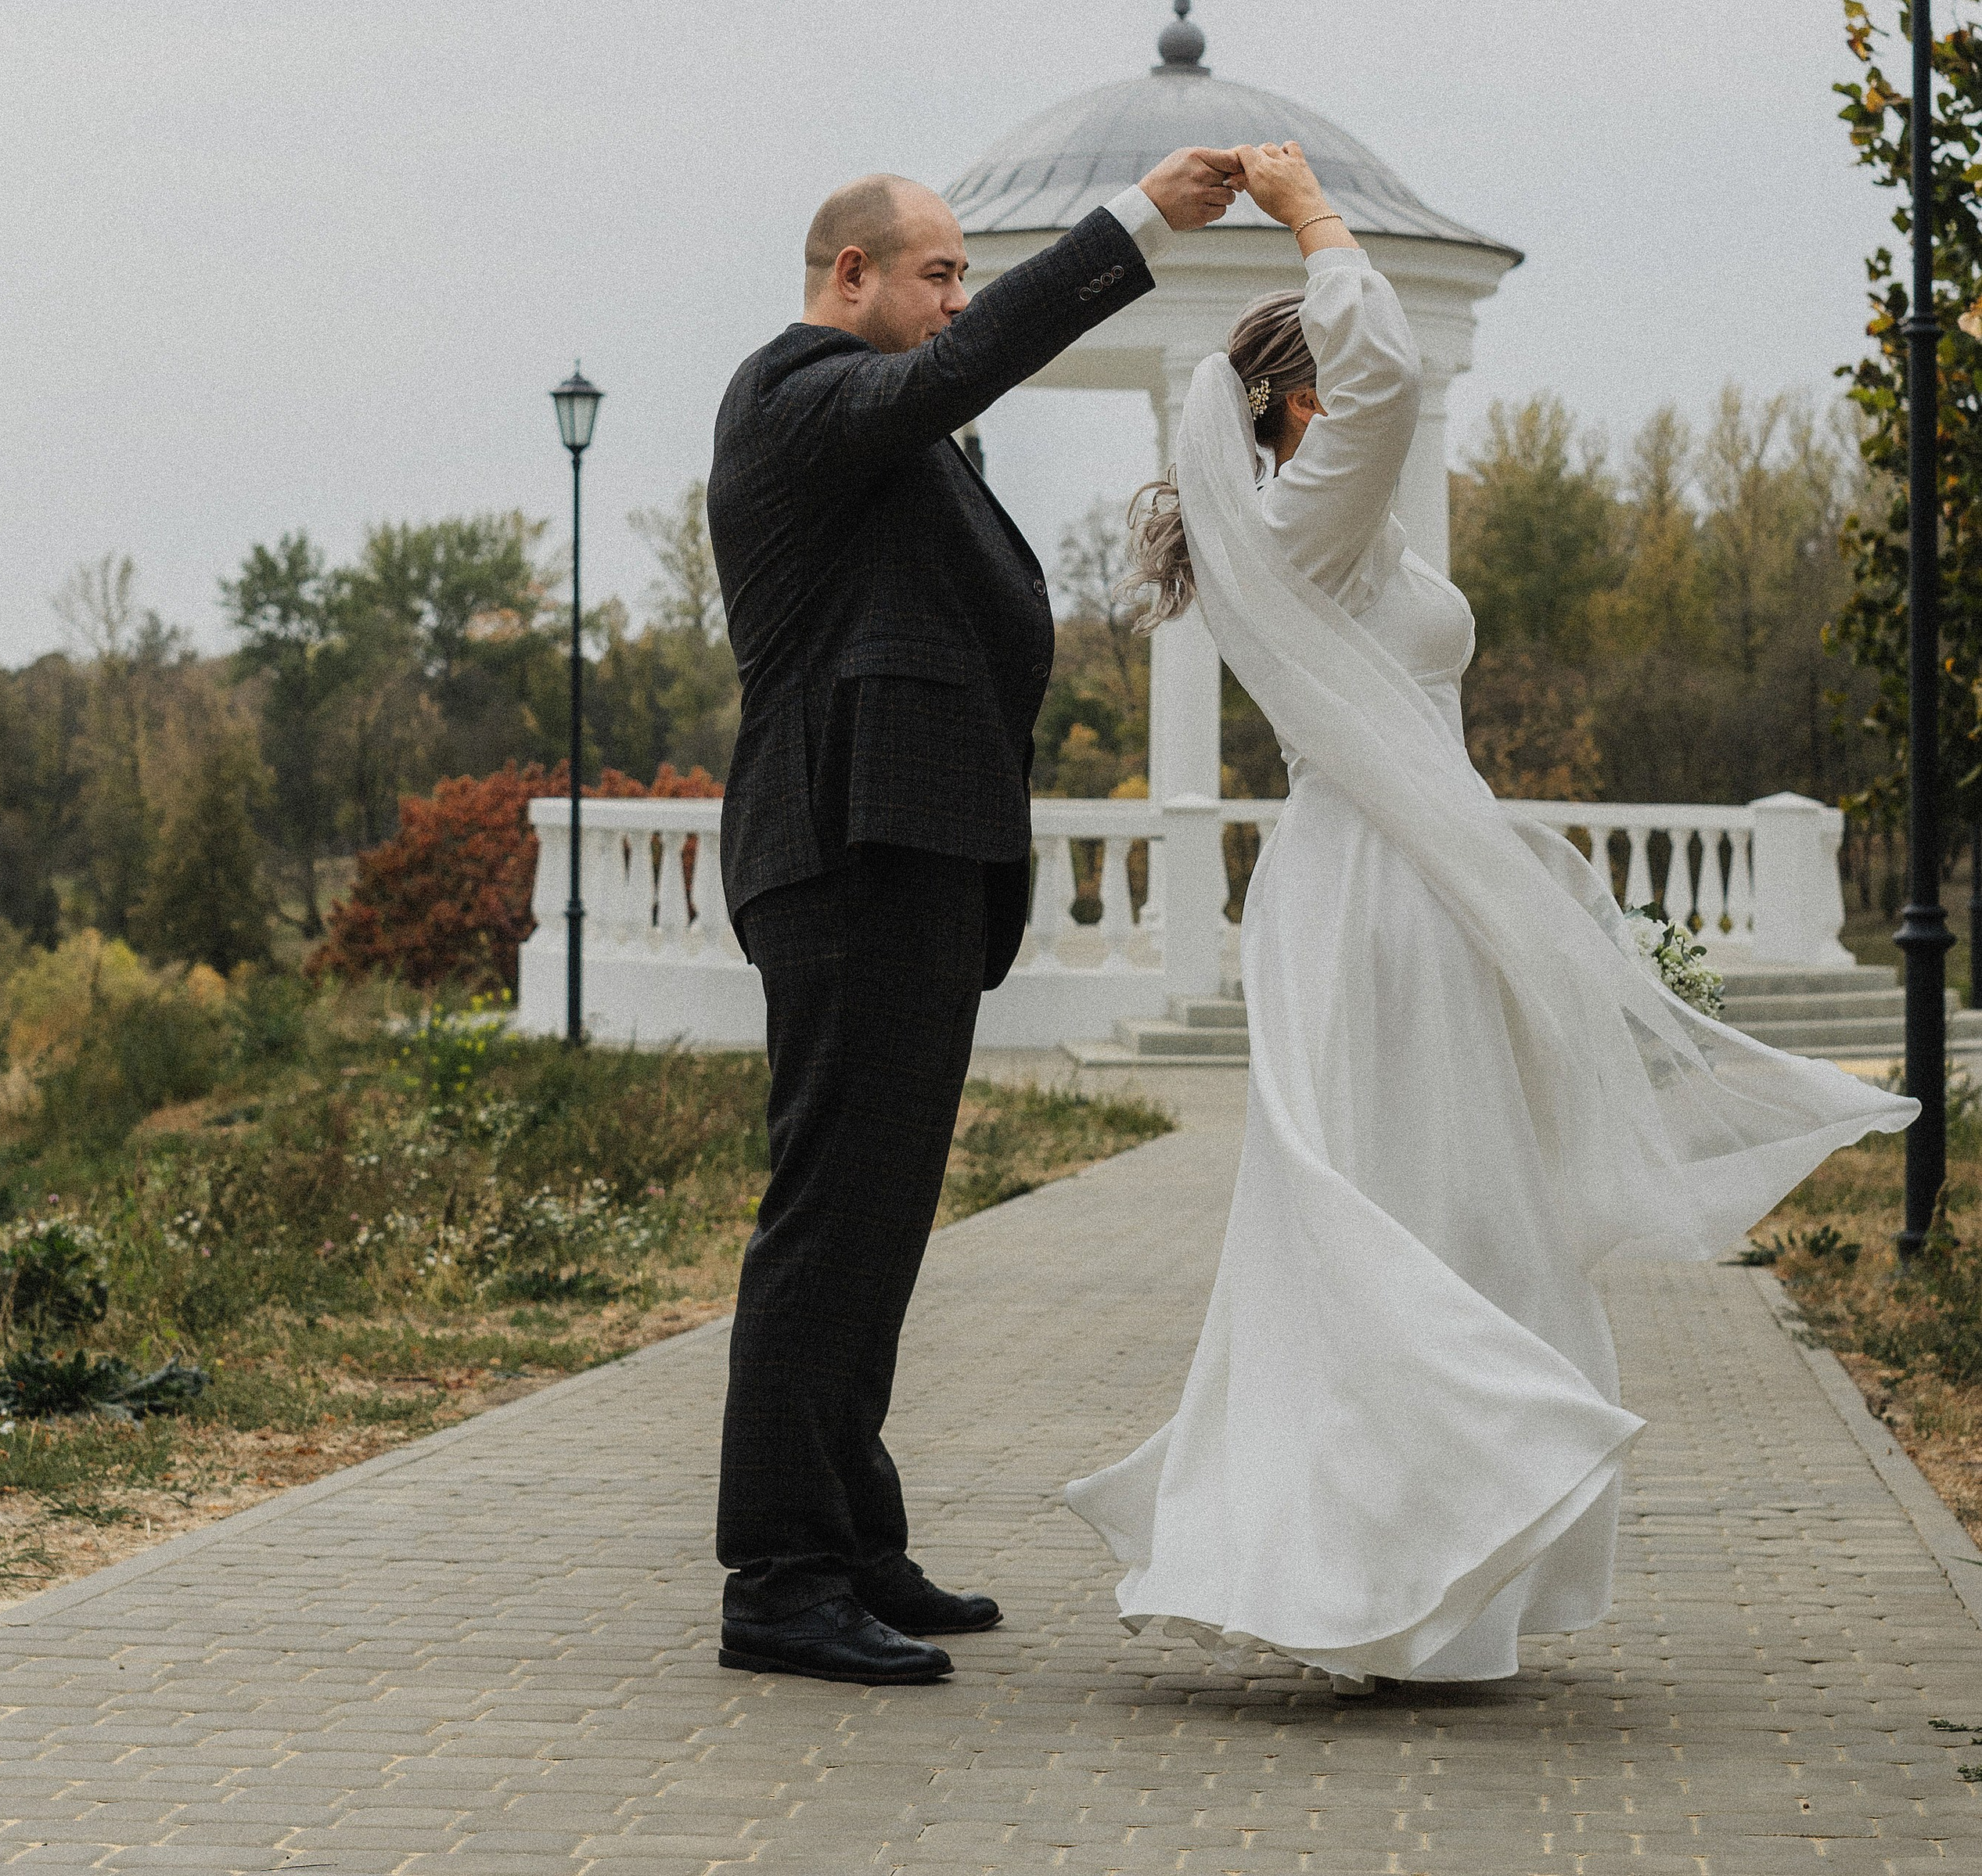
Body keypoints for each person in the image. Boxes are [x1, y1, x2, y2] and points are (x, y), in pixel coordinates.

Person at [1067, 139, 1918, 1690]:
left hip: (1396, 883)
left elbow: (1374, 382)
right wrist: (1312, 210)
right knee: (1412, 1203)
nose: (1361, 385)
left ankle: (1411, 1577)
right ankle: (1395, 1550)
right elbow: (1388, 366)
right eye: (1330, 368)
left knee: (1448, 1196)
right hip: (1378, 894)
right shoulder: (1310, 517)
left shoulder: (1326, 529)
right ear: (1294, 403)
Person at [707, 142, 1246, 1686]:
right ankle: (780, 1577)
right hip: (843, 854)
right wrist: (1134, 222)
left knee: (878, 1223)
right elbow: (958, 373)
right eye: (935, 273)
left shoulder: (894, 436)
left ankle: (852, 1534)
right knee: (829, 1221)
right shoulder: (794, 397)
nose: (953, 300)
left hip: (916, 861)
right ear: (848, 276)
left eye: (961, 273)